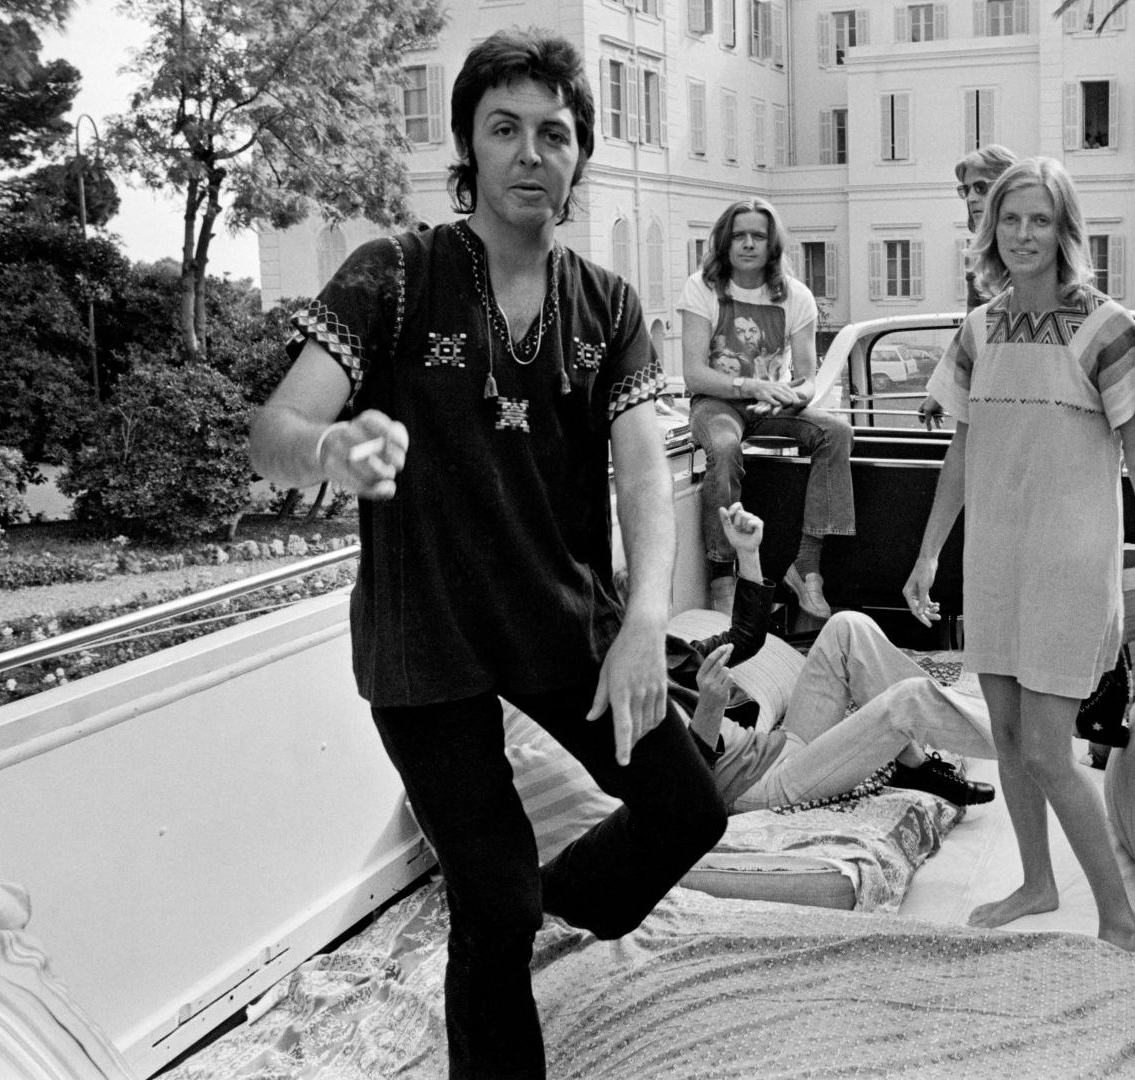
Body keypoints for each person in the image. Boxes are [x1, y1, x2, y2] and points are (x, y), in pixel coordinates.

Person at [246, 30, 725, 1079]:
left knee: (689, 809)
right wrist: (332, 445)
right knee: (491, 900)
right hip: (427, 640)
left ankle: (566, 899)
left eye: (554, 133)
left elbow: (645, 472)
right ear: (468, 143)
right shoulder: (397, 278)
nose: (529, 153)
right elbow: (274, 431)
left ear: (578, 158)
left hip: (561, 616)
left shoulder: (610, 305)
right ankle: (515, 923)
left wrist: (646, 620)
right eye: (504, 128)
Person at [902, 157, 1135, 955]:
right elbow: (960, 453)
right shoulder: (978, 329)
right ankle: (1035, 882)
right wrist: (928, 554)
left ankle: (1121, 921)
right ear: (990, 229)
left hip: (1070, 562)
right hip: (993, 557)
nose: (1023, 235)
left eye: (1040, 220)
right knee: (1004, 734)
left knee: (1045, 748)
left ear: (1066, 232)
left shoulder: (1107, 328)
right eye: (1010, 219)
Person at [671, 502, 998, 812]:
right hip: (758, 787)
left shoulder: (664, 655)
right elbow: (680, 797)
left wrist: (747, 552)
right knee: (907, 701)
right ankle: (1017, 736)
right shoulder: (627, 704)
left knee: (847, 627)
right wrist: (709, 711)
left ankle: (913, 763)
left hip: (778, 747)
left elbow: (744, 638)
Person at [680, 197, 854, 621]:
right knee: (722, 447)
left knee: (836, 432)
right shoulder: (702, 288)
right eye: (739, 235)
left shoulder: (796, 296)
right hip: (717, 401)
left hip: (770, 404)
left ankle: (806, 564)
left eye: (758, 236)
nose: (747, 244)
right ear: (724, 241)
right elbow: (693, 374)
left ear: (772, 244)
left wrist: (798, 394)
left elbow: (809, 377)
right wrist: (746, 383)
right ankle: (723, 574)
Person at [921, 144, 1019, 429]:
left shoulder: (1035, 248)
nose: (972, 197)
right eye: (966, 190)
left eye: (981, 187)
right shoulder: (981, 264)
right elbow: (969, 335)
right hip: (993, 386)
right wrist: (942, 390)